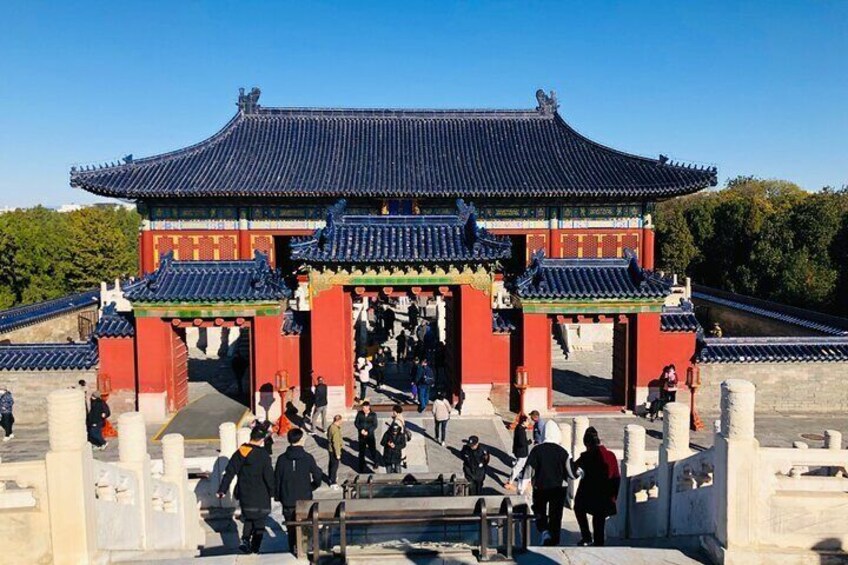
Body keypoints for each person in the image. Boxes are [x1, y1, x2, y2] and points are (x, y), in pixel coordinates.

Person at [217, 426, 275, 554]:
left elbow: (229, 472)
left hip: (244, 493)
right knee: (259, 521)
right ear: (261, 440)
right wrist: (273, 491)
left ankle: (245, 540)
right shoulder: (263, 455)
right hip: (261, 493)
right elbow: (269, 476)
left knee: (248, 517)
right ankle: (255, 548)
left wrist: (222, 489)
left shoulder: (240, 452)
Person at [525, 421, 577, 546]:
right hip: (558, 489)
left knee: (539, 511)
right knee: (556, 515)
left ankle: (544, 531)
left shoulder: (536, 450)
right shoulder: (563, 452)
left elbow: (529, 470)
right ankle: (554, 540)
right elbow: (571, 473)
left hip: (540, 488)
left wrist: (524, 485)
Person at [274, 428, 322, 556]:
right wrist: (312, 487)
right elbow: (318, 476)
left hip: (288, 498)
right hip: (305, 498)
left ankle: (293, 548)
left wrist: (279, 496)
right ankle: (306, 548)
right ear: (301, 440)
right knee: (306, 525)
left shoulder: (281, 459)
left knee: (291, 527)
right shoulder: (308, 458)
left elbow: (277, 479)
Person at [573, 427, 621, 547]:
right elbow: (617, 477)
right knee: (599, 519)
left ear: (587, 443)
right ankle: (599, 543)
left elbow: (574, 471)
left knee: (578, 508)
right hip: (606, 494)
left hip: (589, 494)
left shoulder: (586, 456)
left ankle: (586, 537)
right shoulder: (611, 455)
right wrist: (614, 496)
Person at [505, 415, 531, 492]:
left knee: (521, 466)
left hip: (519, 451)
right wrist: (528, 442)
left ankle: (523, 479)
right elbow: (522, 443)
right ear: (523, 422)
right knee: (518, 467)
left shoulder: (519, 428)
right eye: (527, 421)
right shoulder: (521, 431)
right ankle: (510, 481)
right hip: (522, 453)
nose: (528, 422)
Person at [354, 401, 378, 472]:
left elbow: (375, 425)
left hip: (370, 436)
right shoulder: (359, 414)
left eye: (364, 407)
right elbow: (356, 423)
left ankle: (376, 462)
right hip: (361, 436)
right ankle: (361, 466)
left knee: (372, 450)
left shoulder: (373, 415)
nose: (363, 409)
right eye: (363, 407)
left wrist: (368, 432)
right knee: (361, 452)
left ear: (368, 407)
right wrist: (360, 429)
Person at [327, 415, 343, 489]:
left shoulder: (331, 427)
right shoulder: (335, 430)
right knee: (334, 466)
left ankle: (330, 477)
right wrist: (338, 454)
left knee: (331, 464)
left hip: (330, 449)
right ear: (338, 421)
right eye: (341, 421)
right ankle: (333, 482)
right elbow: (336, 442)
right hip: (334, 450)